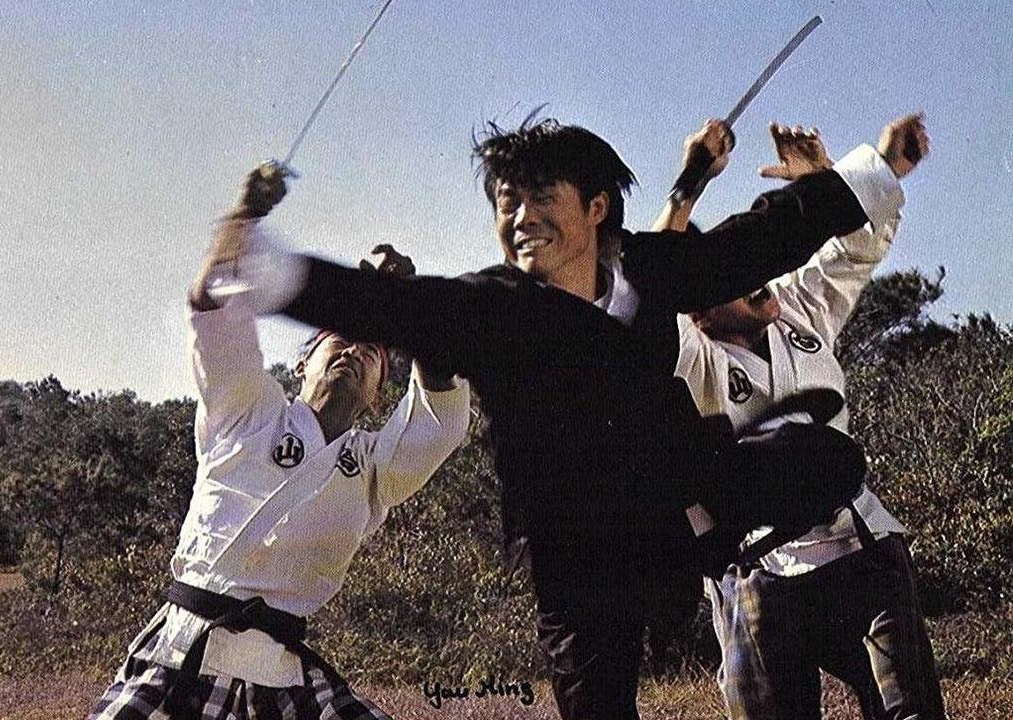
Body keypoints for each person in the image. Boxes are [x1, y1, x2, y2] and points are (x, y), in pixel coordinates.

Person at [212, 114, 925, 719]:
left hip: (682, 497)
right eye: (507, 203)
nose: (522, 219)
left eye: (541, 198)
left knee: (828, 459)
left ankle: (766, 557)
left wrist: (877, 168)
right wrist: (263, 265)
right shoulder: (499, 307)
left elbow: (755, 241)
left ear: (595, 208)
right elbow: (404, 309)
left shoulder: (646, 267)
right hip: (578, 556)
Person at [85, 180, 472, 720]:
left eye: (373, 351)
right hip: (182, 656)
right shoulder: (247, 408)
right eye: (341, 337)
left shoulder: (375, 469)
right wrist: (243, 215)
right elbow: (214, 309)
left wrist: (409, 307)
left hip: (284, 678)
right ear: (302, 363)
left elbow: (440, 419)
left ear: (379, 392)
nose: (355, 351)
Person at [663, 117, 945, 720]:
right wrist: (691, 182)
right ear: (699, 314)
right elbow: (647, 297)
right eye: (731, 277)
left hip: (858, 541)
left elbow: (854, 251)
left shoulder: (797, 308)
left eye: (754, 264)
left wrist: (838, 179)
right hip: (758, 567)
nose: (758, 278)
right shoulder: (692, 360)